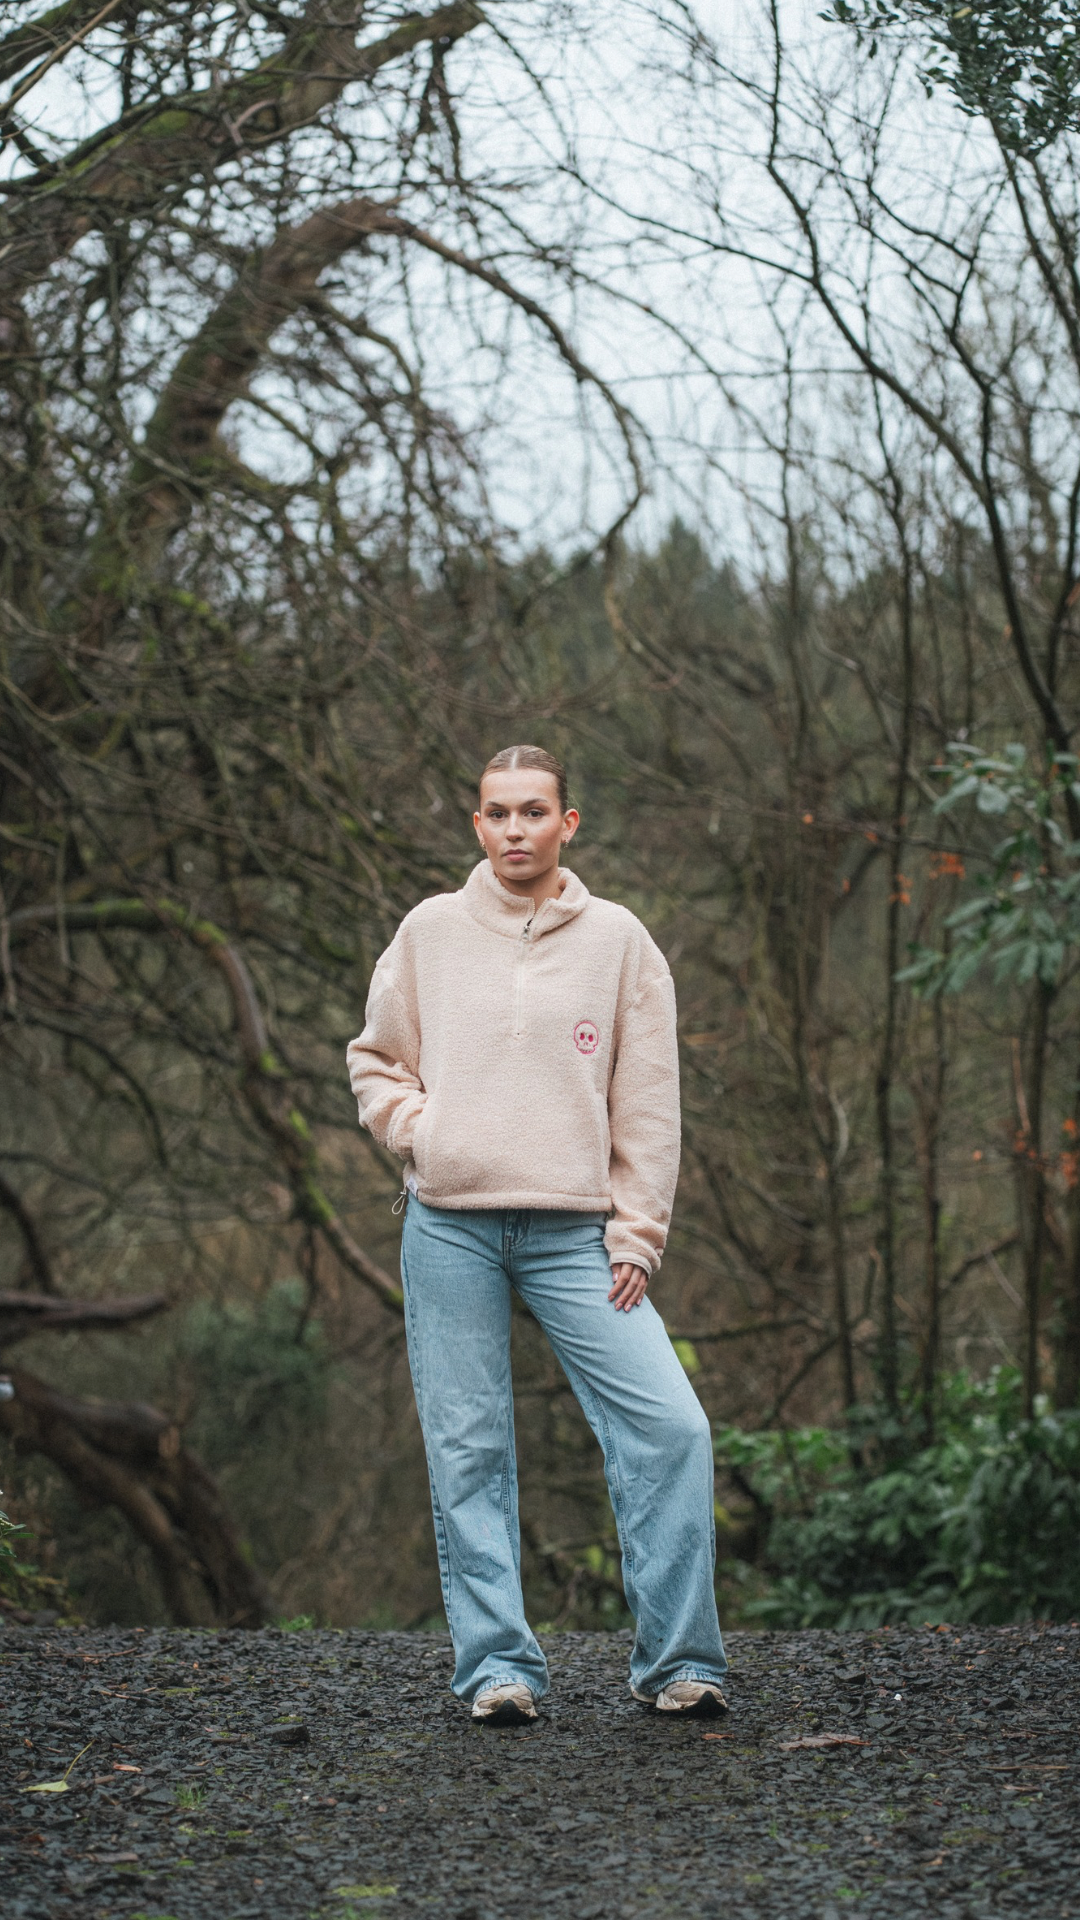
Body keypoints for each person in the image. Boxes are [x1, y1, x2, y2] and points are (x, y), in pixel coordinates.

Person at [346, 745, 728, 1725]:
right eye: (496, 812)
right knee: (468, 1449)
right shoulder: (430, 932)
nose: (515, 828)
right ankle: (497, 1669)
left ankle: (679, 1663)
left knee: (670, 1429)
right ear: (476, 826)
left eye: (533, 811)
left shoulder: (621, 943)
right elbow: (377, 1061)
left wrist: (638, 1234)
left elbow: (647, 1103)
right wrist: (423, 1134)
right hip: (451, 1231)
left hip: (578, 1236)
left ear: (569, 824)